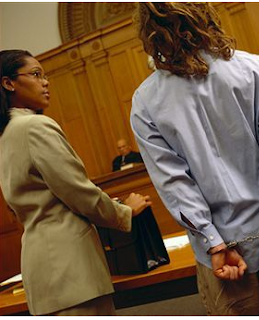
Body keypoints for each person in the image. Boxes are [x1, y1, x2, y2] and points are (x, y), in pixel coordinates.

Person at [130, 3, 259, 316]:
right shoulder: (255, 70)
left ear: (149, 31)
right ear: (205, 14)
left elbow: (175, 184)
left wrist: (214, 242)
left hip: (224, 260)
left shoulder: (146, 102)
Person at [0, 49, 152, 316]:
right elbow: (79, 193)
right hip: (70, 266)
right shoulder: (35, 127)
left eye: (45, 75)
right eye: (36, 75)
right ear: (8, 83)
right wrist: (125, 211)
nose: (45, 82)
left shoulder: (6, 134)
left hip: (40, 266)